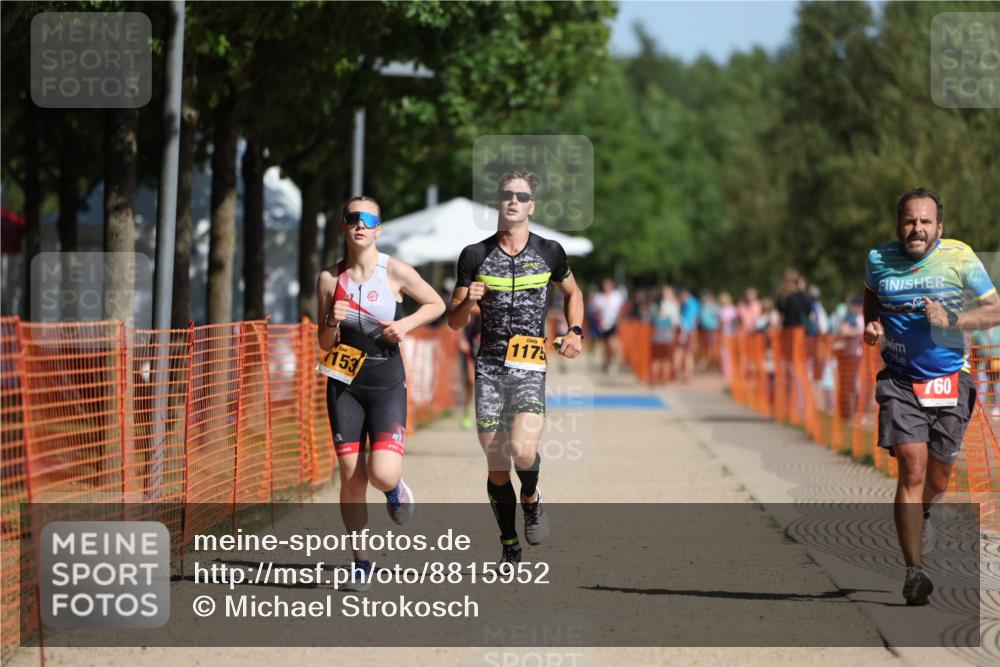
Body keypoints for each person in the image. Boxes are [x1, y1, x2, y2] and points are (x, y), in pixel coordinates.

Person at [863, 187, 1000, 606]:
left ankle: (921, 511)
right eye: (909, 221)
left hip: (951, 380)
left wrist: (951, 318)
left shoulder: (960, 257)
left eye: (925, 221)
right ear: (898, 225)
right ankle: (915, 572)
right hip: (900, 380)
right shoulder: (878, 259)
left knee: (938, 478)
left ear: (939, 226)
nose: (917, 229)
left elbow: (995, 309)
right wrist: (872, 324)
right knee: (912, 465)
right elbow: (871, 298)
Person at [448, 168, 584, 566]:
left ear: (531, 206)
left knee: (523, 451)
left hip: (529, 366)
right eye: (508, 194)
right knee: (497, 466)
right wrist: (467, 300)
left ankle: (531, 497)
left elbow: (573, 292)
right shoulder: (474, 255)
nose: (514, 201)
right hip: (489, 369)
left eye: (522, 196)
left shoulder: (550, 251)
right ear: (497, 201)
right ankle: (509, 545)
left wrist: (575, 330)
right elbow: (454, 321)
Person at [316, 195, 446, 590]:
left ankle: (395, 489)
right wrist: (330, 320)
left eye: (368, 220)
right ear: (344, 226)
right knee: (351, 477)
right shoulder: (329, 279)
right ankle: (361, 563)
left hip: (386, 381)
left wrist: (405, 326)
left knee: (382, 473)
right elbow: (324, 342)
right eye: (353, 217)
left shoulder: (396, 272)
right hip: (344, 383)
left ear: (378, 230)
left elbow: (436, 303)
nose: (360, 224)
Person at [591, 278, 626, 373]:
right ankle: (607, 363)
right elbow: (596, 311)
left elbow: (621, 308)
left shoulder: (616, 296)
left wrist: (619, 318)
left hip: (613, 324)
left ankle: (616, 362)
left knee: (613, 344)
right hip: (603, 326)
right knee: (606, 346)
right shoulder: (600, 298)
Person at [651, 286, 680, 385]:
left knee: (656, 358)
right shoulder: (671, 306)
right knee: (666, 359)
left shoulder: (655, 306)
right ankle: (664, 380)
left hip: (656, 336)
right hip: (667, 336)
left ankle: (655, 379)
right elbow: (675, 323)